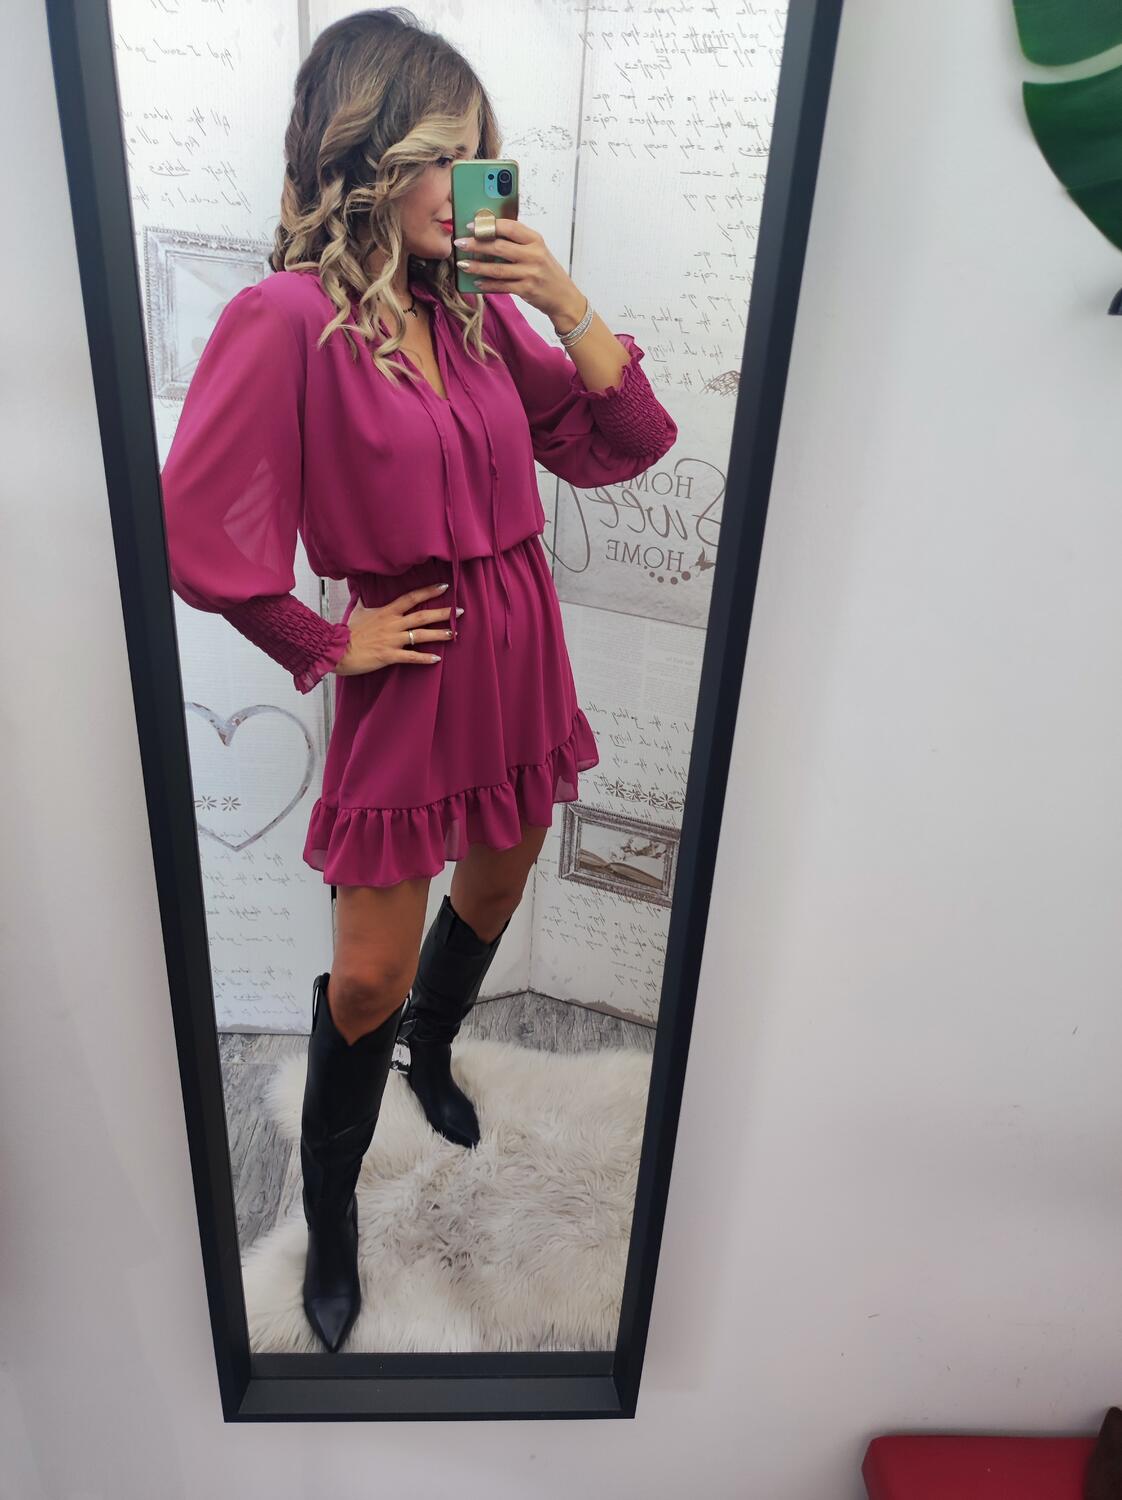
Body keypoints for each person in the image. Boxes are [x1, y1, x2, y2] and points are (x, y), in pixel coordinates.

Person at [159, 7, 678, 1354]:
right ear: (369, 157)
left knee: (497, 887)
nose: (467, 182)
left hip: (520, 644)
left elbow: (622, 440)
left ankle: (435, 1055)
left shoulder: (479, 314)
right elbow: (196, 532)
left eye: (478, 152)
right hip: (413, 666)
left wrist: (560, 299)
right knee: (364, 977)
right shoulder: (284, 321)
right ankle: (331, 1215)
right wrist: (327, 643)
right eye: (442, 153)